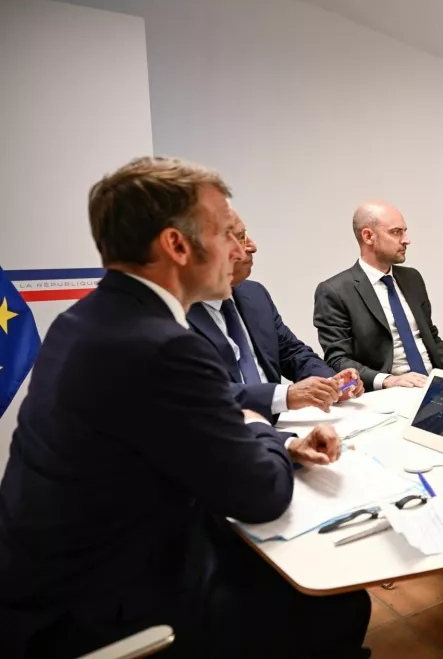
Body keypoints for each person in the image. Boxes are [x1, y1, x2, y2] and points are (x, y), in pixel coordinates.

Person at [0, 158, 371, 659]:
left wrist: (276, 441)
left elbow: (182, 441)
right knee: (340, 604)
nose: (239, 249)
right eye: (224, 233)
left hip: (47, 587)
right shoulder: (164, 347)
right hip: (102, 610)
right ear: (177, 245)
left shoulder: (83, 320)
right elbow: (262, 495)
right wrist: (260, 424)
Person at [188, 210, 363, 421]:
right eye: (240, 238)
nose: (252, 246)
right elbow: (204, 394)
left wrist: (331, 383)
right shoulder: (176, 314)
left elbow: (291, 352)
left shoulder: (254, 294)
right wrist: (285, 396)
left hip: (278, 427)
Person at [314, 201, 443, 392]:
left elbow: (431, 336)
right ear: (368, 236)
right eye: (396, 232)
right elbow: (338, 360)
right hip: (389, 393)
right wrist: (389, 380)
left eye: (404, 231)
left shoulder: (412, 278)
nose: (406, 240)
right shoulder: (335, 291)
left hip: (434, 383)